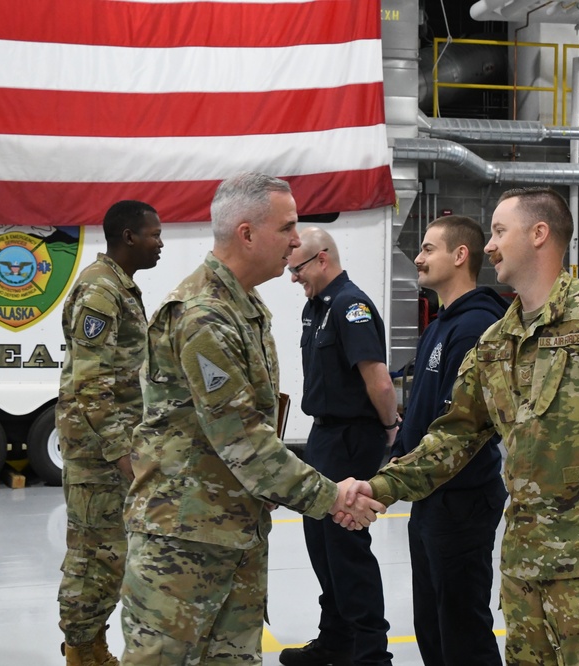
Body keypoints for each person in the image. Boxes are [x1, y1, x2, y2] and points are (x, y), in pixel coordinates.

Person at [344, 186, 579, 665]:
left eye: (500, 231)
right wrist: (380, 487)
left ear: (539, 234)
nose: (489, 245)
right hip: (525, 568)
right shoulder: (499, 339)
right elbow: (455, 435)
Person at [119, 173, 385, 666]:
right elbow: (241, 438)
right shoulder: (204, 315)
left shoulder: (246, 306)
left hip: (233, 534)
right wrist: (331, 497)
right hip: (183, 545)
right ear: (246, 233)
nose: (295, 240)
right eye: (287, 227)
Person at [393, 215, 508, 666]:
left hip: (461, 499)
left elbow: (460, 427)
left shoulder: (475, 326)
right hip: (430, 496)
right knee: (432, 622)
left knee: (461, 627)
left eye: (428, 249)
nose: (418, 258)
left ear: (460, 256)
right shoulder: (442, 324)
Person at [278, 227, 396, 666]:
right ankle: (336, 641)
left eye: (298, 268)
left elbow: (378, 379)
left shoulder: (351, 306)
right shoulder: (317, 307)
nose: (293, 278)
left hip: (352, 438)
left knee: (346, 547)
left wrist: (389, 428)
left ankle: (369, 654)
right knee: (321, 545)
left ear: (322, 258)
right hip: (324, 436)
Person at [57, 199, 163, 666]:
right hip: (98, 450)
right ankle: (81, 650)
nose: (161, 243)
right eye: (154, 234)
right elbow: (89, 380)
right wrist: (121, 450)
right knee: (93, 555)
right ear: (128, 237)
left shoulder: (119, 286)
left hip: (113, 441)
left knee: (109, 552)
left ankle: (91, 644)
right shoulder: (101, 291)